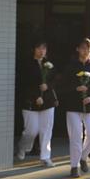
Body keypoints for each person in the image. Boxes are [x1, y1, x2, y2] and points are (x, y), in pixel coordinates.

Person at [60, 38, 90, 178]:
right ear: (78, 49)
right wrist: (75, 88)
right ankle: (74, 166)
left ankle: (84, 156)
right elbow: (62, 86)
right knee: (76, 136)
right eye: (83, 48)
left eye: (88, 49)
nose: (85, 52)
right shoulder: (71, 66)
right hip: (73, 107)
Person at [15, 40, 58, 168]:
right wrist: (35, 97)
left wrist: (48, 86)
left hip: (48, 102)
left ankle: (45, 157)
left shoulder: (48, 64)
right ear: (34, 49)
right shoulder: (26, 64)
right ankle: (23, 147)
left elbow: (55, 81)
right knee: (31, 130)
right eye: (39, 48)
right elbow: (23, 83)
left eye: (44, 48)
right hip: (30, 102)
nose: (42, 51)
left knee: (46, 130)